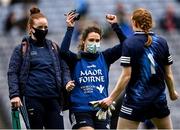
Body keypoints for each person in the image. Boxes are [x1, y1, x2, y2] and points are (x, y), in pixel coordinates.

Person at [100, 8, 179, 129]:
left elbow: (126, 76)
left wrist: (111, 98)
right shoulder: (162, 42)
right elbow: (168, 74)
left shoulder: (130, 43)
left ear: (134, 23)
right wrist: (172, 92)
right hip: (158, 101)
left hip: (135, 101)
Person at [7, 7, 74, 129]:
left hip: (54, 99)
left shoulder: (54, 47)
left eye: (45, 27)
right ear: (31, 29)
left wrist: (67, 82)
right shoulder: (21, 49)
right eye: (40, 28)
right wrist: (14, 95)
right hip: (33, 99)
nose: (43, 30)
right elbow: (12, 72)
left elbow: (64, 69)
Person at [60, 12, 126, 129]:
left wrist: (115, 26)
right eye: (91, 40)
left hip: (101, 110)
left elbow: (125, 45)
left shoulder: (105, 57)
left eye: (97, 41)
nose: (94, 43)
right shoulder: (76, 59)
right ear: (83, 41)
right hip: (80, 110)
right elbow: (63, 52)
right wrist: (70, 28)